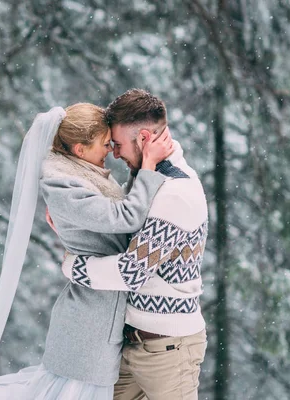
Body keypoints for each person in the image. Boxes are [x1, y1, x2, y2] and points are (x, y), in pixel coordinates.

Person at [0, 103, 173, 400]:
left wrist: (140, 168)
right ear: (80, 150)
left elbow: (121, 212)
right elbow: (126, 217)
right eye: (104, 144)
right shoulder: (66, 187)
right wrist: (147, 166)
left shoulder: (86, 176)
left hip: (97, 320)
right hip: (87, 328)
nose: (111, 151)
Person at [61, 90, 209, 400]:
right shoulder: (148, 178)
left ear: (143, 138)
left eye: (117, 144)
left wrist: (74, 266)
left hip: (169, 350)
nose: (113, 154)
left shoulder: (176, 194)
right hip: (132, 343)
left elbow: (131, 272)